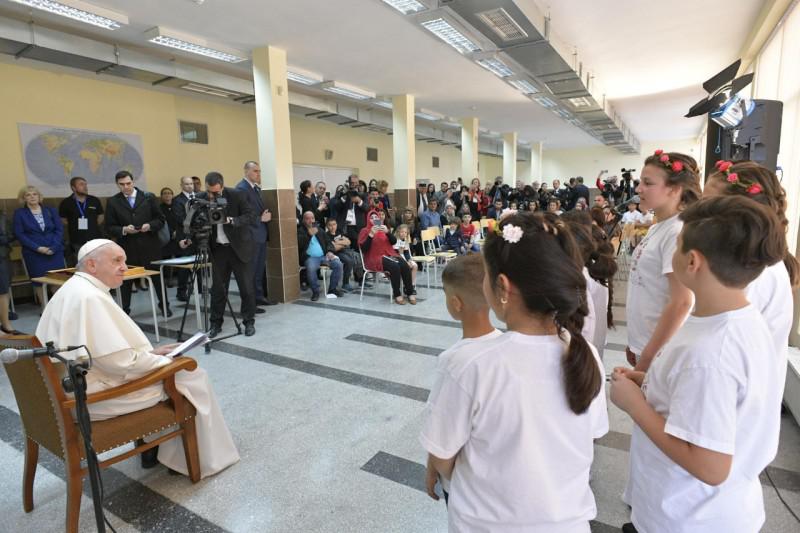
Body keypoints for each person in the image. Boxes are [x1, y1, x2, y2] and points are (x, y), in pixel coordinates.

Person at [420, 211, 607, 532]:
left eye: (485, 275)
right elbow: (588, 436)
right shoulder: (583, 352)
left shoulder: (471, 365)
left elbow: (442, 457)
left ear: (502, 286)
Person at [611, 196, 786, 533]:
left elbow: (709, 466)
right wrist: (650, 383)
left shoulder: (711, 353)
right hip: (702, 509)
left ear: (692, 262)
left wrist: (635, 406)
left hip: (690, 517)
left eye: (676, 246)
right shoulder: (733, 320)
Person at [35, 238, 239, 478]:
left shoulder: (72, 289)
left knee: (172, 371)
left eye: (124, 261)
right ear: (91, 265)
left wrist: (150, 354)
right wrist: (167, 361)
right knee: (190, 375)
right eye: (116, 261)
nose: (125, 267)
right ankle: (191, 460)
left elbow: (104, 355)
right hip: (92, 398)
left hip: (73, 390)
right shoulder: (90, 298)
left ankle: (156, 450)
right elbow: (122, 365)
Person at [703, 160, 800, 405]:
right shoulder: (750, 262)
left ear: (740, 212)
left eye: (708, 205)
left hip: (737, 409)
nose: (697, 212)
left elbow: (723, 347)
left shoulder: (755, 272)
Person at [424, 254, 502, 504]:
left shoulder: (454, 362)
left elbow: (442, 442)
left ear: (456, 303)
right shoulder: (504, 343)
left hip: (465, 490)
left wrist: (440, 470)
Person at [626, 151, 699, 371]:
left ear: (675, 189)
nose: (639, 189)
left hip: (660, 352)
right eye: (640, 182)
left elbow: (682, 302)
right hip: (647, 344)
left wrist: (648, 356)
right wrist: (635, 343)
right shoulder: (660, 226)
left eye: (648, 183)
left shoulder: (677, 230)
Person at [190, 172, 257, 337]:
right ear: (205, 186)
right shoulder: (200, 198)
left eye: (217, 192)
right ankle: (215, 324)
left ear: (222, 185)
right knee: (218, 289)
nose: (213, 195)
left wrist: (231, 220)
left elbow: (251, 215)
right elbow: (193, 221)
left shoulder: (236, 194)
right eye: (210, 192)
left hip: (239, 248)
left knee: (246, 289)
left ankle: (248, 322)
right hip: (218, 250)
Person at [104, 171, 170, 317]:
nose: (126, 187)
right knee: (125, 281)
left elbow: (160, 219)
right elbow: (109, 226)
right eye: (122, 184)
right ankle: (125, 311)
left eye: (128, 183)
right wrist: (123, 229)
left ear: (133, 182)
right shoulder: (113, 201)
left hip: (150, 245)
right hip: (127, 248)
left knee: (157, 278)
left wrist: (150, 225)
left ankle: (165, 306)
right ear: (117, 185)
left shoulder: (148, 197)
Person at [236, 161, 275, 308]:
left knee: (259, 270)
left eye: (259, 171)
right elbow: (241, 215)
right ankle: (249, 303)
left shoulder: (255, 189)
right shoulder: (241, 189)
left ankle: (258, 297)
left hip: (260, 235)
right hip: (250, 236)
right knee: (250, 272)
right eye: (255, 171)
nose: (258, 174)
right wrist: (260, 219)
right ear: (246, 171)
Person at [358, 209, 415, 305]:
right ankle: (397, 294)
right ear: (368, 220)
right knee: (395, 267)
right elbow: (364, 248)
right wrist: (371, 234)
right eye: (371, 218)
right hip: (374, 258)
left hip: (389, 254)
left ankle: (410, 292)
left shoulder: (382, 229)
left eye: (376, 217)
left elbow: (394, 242)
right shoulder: (365, 231)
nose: (374, 219)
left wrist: (388, 232)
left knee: (404, 265)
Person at [13, 186, 65, 288]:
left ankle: (57, 304)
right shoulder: (19, 213)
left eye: (34, 194)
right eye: (28, 195)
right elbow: (19, 234)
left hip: (54, 252)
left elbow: (59, 230)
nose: (32, 197)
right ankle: (43, 304)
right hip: (34, 254)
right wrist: (38, 248)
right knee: (39, 283)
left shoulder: (51, 210)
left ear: (39, 196)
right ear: (24, 198)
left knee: (58, 282)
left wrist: (54, 247)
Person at [58, 176, 104, 266]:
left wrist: (92, 226)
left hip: (95, 239)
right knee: (82, 264)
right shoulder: (66, 203)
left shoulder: (94, 200)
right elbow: (63, 220)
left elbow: (101, 216)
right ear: (73, 188)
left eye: (86, 184)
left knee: (98, 264)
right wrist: (75, 226)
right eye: (81, 184)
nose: (85, 187)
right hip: (77, 240)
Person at [298, 211, 343, 301]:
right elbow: (300, 244)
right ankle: (315, 291)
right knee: (311, 268)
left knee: (338, 264)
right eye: (308, 218)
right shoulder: (300, 231)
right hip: (310, 258)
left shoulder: (319, 230)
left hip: (323, 256)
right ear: (303, 220)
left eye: (312, 218)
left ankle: (332, 289)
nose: (311, 220)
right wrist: (309, 234)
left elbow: (328, 243)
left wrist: (330, 251)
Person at [172, 176, 198, 302]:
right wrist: (196, 224)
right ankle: (181, 291)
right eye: (187, 184)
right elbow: (180, 219)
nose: (190, 186)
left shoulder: (198, 197)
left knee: (200, 263)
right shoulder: (177, 200)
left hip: (198, 235)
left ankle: (200, 288)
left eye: (191, 184)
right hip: (185, 235)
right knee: (185, 265)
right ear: (181, 185)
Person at [0, 211, 23, 335]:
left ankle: (6, 325)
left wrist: (2, 238)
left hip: (2, 256)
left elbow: (12, 235)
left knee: (3, 290)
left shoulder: (3, 217)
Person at [324, 218, 358, 292]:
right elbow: (334, 248)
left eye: (334, 224)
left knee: (355, 257)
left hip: (343, 251)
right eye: (330, 225)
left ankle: (359, 279)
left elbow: (348, 242)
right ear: (327, 226)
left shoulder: (339, 231)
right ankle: (345, 284)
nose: (333, 227)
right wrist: (343, 243)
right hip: (335, 254)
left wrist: (337, 243)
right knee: (349, 261)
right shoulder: (326, 235)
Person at [158, 187, 181, 286]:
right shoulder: (159, 208)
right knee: (167, 258)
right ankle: (168, 279)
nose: (167, 195)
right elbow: (161, 223)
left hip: (179, 235)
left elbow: (180, 220)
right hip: (166, 237)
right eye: (164, 193)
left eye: (169, 193)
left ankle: (181, 279)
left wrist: (178, 232)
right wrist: (172, 233)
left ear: (172, 195)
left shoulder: (177, 206)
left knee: (181, 257)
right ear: (162, 196)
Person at [392, 224, 419, 292]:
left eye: (405, 232)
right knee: (407, 266)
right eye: (402, 232)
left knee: (415, 266)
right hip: (396, 258)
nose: (403, 234)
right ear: (398, 232)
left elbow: (406, 253)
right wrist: (406, 262)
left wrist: (409, 260)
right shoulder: (395, 240)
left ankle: (412, 285)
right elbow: (396, 253)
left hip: (403, 257)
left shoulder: (405, 240)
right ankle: (406, 286)